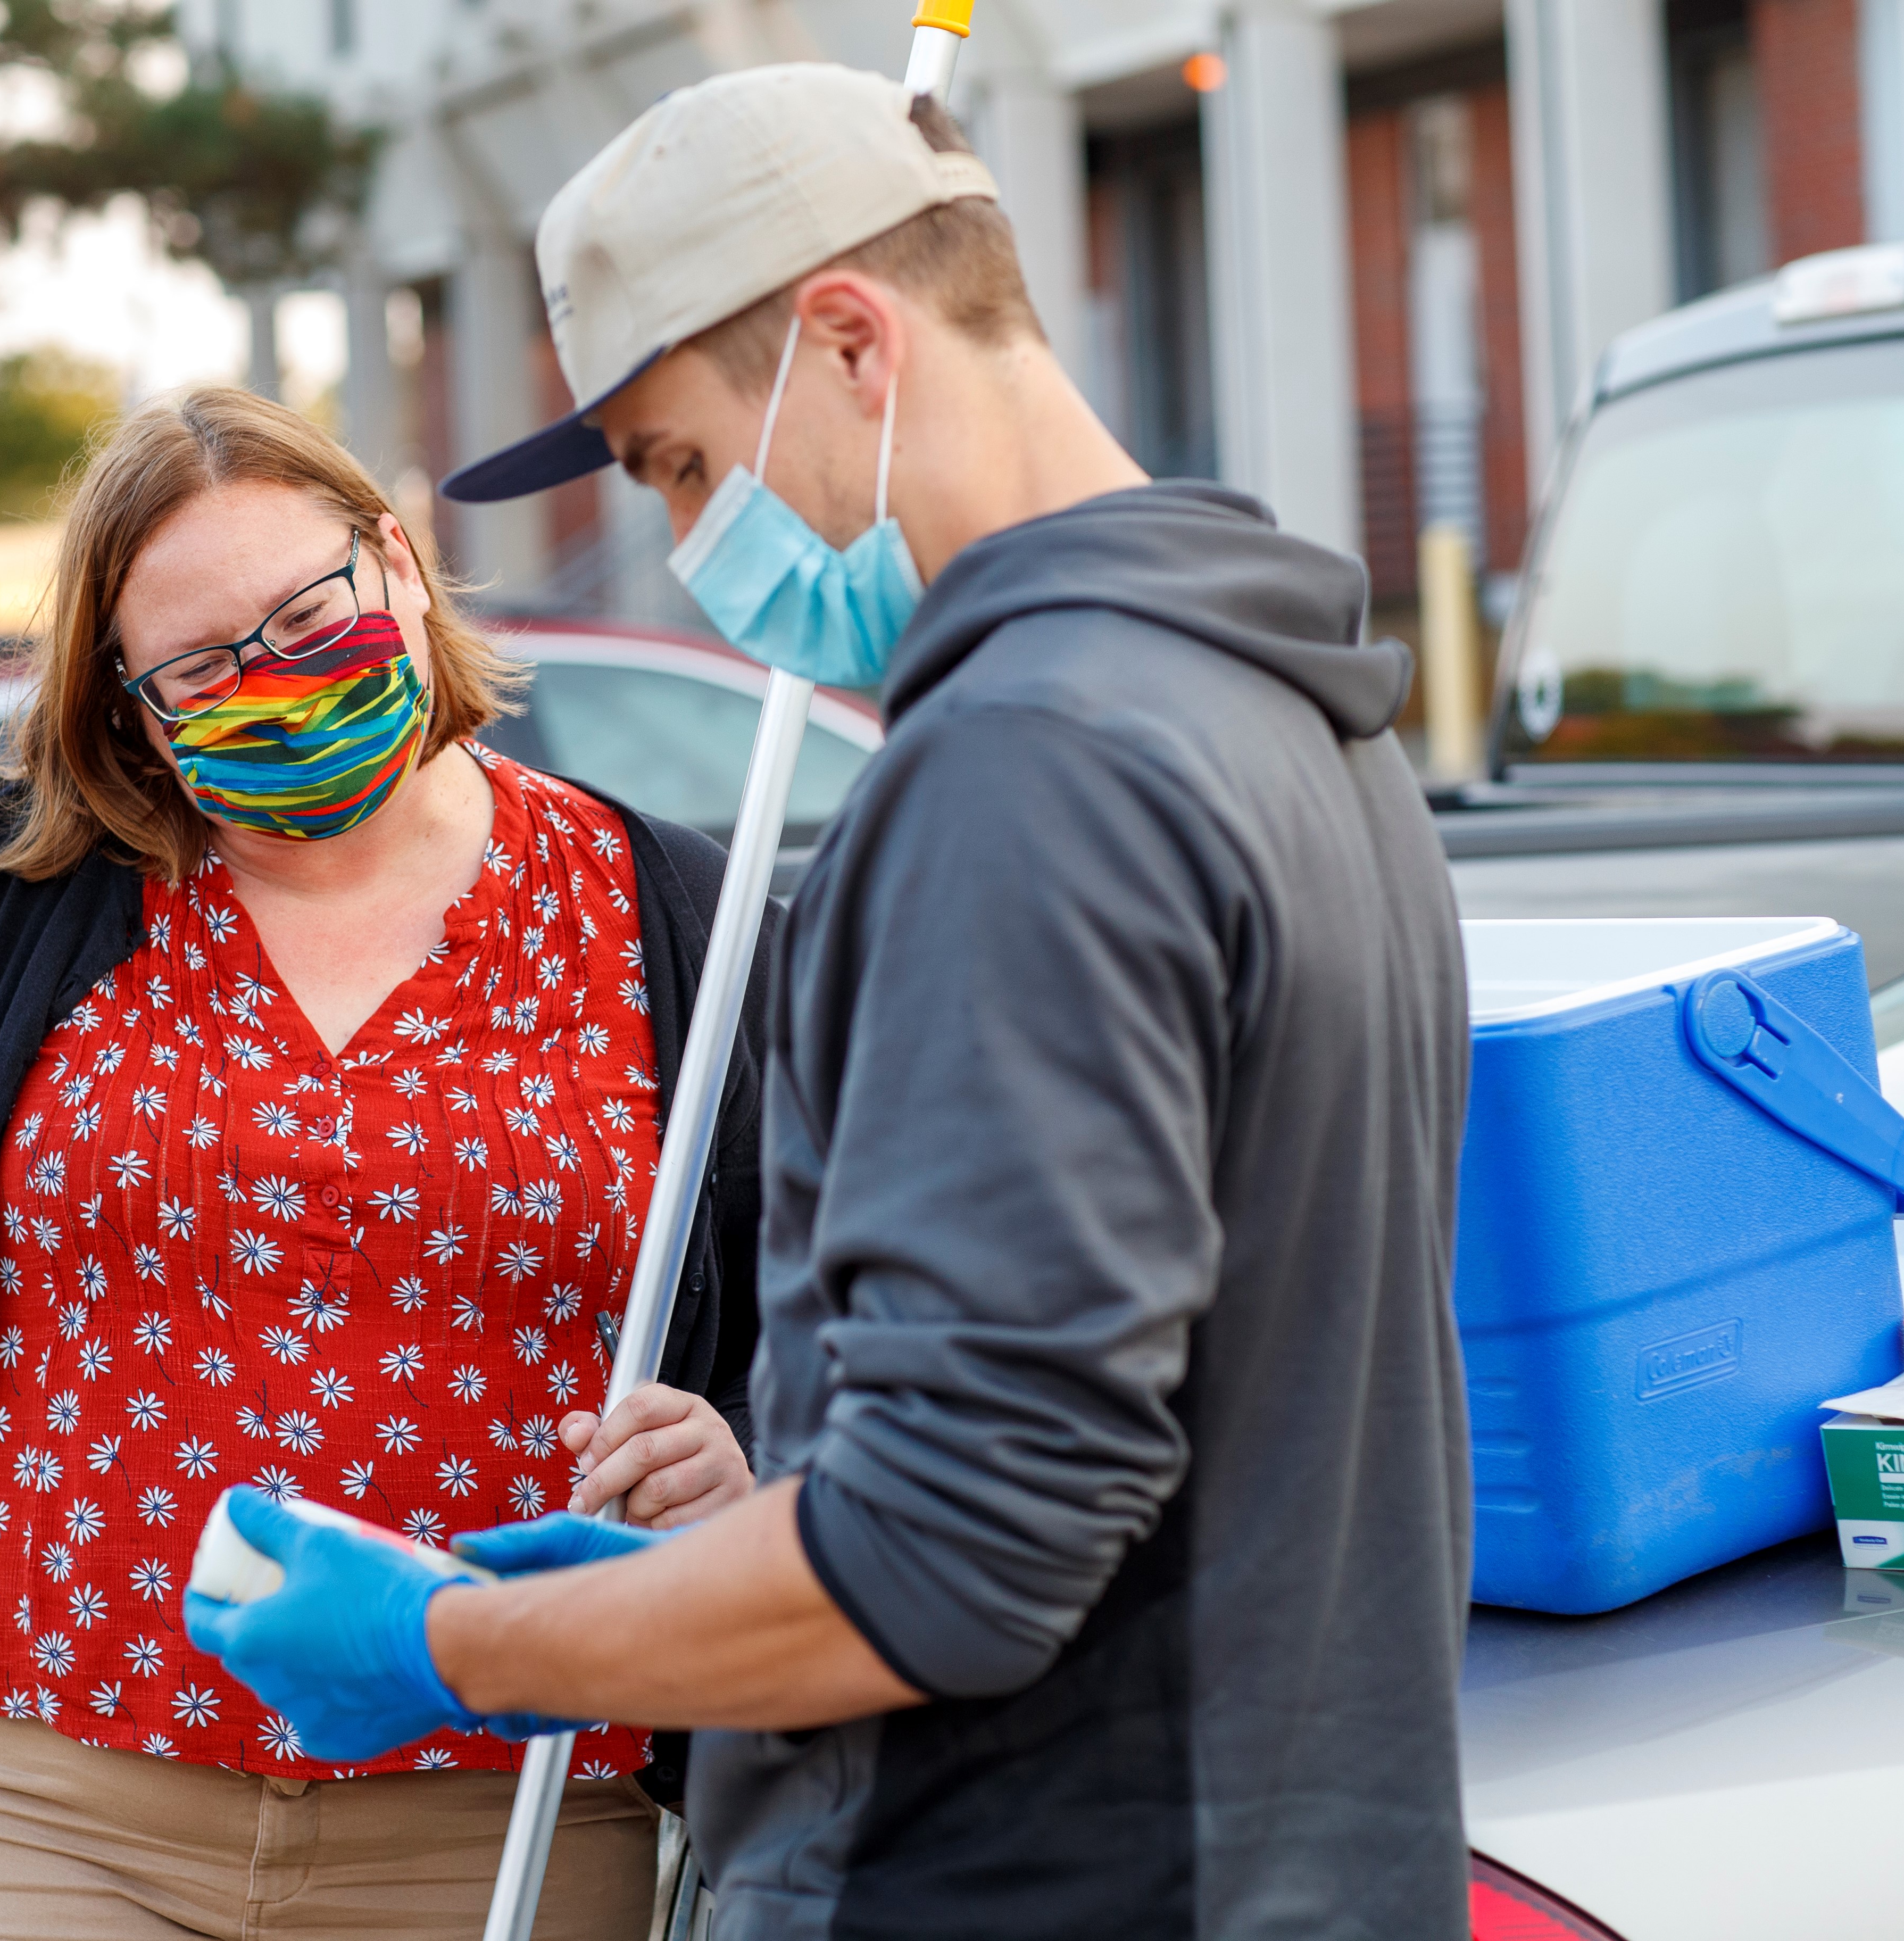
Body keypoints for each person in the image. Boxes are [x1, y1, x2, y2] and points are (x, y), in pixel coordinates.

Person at [185, 63, 1476, 1941]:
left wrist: (460, 1637)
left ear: (853, 343)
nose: (697, 549)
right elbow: (1131, 1443)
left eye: (687, 466)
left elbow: (958, 1558)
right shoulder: (1283, 716)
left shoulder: (1031, 774)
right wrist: (724, 1550)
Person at [0, 388, 777, 1940]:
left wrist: (746, 1443)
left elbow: (850, 1294)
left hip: (508, 1809)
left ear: (399, 565)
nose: (270, 683)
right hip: (41, 1801)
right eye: (202, 667)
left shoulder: (676, 920)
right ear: (132, 703)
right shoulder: (18, 877)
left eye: (305, 616)